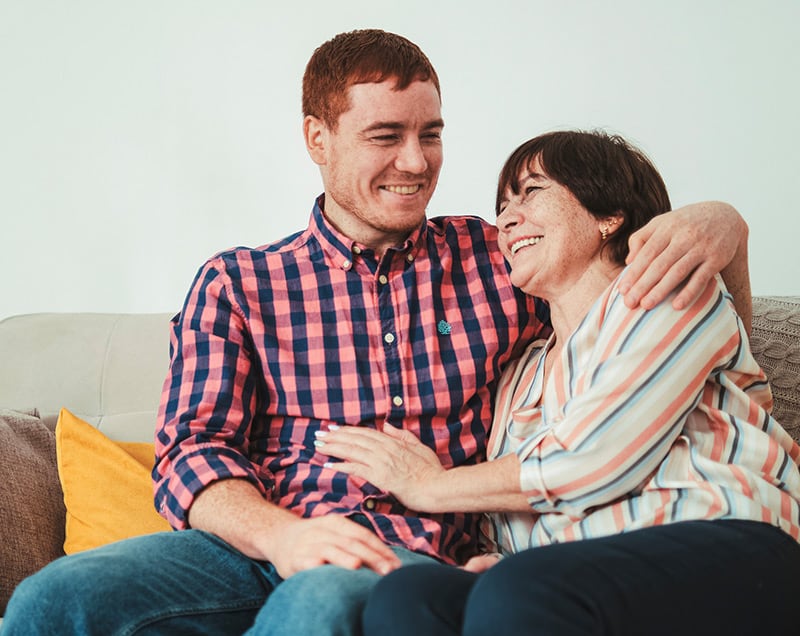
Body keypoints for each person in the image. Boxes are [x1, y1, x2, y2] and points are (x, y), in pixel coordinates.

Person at [3, 31, 750, 636]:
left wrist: (724, 222)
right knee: (49, 602)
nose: (416, 162)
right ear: (317, 138)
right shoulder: (239, 283)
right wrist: (282, 536)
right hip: (253, 542)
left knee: (319, 604)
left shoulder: (501, 259)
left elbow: (634, 302)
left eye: (431, 134)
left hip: (407, 559)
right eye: (385, 136)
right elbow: (191, 451)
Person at [317, 130, 800, 635]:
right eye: (502, 205)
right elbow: (506, 513)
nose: (506, 219)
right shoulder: (520, 372)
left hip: (729, 545)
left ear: (607, 216)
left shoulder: (668, 292)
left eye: (531, 192)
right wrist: (492, 555)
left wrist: (429, 486)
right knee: (411, 595)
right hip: (578, 576)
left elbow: (594, 458)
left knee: (520, 588)